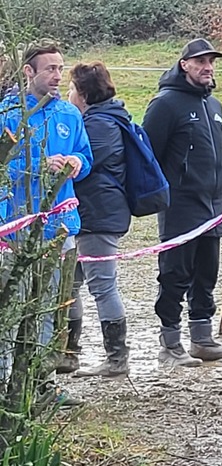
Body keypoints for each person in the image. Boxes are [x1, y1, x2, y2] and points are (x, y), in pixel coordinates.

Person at [142, 37, 222, 366]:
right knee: (175, 274)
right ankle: (170, 343)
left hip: (213, 203)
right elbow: (149, 155)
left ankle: (202, 338)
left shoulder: (214, 106)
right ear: (184, 64)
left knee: (206, 274)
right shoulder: (165, 104)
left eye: (210, 61)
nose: (207, 67)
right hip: (180, 205)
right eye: (200, 61)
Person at [0, 46, 90, 390]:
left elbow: (86, 156)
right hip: (17, 226)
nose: (57, 76)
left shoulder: (70, 114)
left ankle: (43, 384)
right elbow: (2, 167)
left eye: (60, 68)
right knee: (13, 307)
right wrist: (37, 166)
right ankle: (7, 385)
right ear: (28, 71)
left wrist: (77, 162)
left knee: (51, 307)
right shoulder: (9, 114)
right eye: (50, 68)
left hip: (59, 227)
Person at [66, 62, 133, 376]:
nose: (68, 94)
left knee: (102, 286)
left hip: (97, 214)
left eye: (71, 89)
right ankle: (69, 353)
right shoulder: (105, 118)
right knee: (69, 284)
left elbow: (83, 168)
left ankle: (116, 358)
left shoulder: (98, 126)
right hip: (89, 213)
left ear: (83, 93)